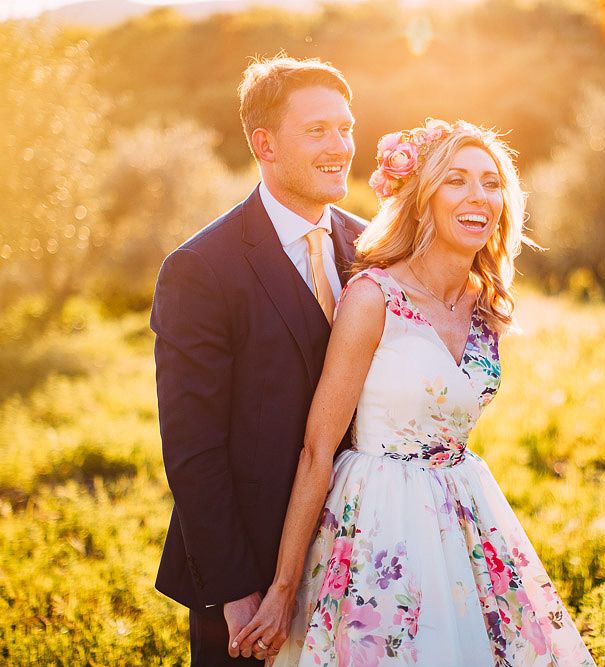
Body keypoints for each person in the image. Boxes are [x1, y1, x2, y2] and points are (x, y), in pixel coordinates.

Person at [232, 119, 597, 666]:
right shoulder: (373, 296)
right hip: (378, 517)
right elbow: (317, 449)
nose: (480, 196)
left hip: (464, 509)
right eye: (457, 180)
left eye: (491, 183)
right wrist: (283, 587)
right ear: (422, 199)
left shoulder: (486, 304)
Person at [150, 55, 365, 666]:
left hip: (364, 552)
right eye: (318, 129)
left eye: (346, 128)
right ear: (263, 144)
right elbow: (192, 450)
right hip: (250, 564)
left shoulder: (369, 246)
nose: (341, 146)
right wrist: (233, 592)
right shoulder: (200, 269)